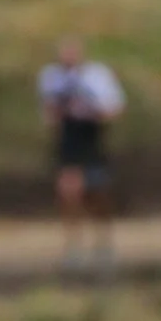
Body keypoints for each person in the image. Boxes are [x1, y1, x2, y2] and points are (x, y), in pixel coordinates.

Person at [37, 38, 126, 277]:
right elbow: (48, 110)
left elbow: (114, 108)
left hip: (92, 137)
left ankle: (103, 242)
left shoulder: (97, 76)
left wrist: (93, 111)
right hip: (69, 138)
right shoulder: (51, 77)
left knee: (96, 193)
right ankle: (73, 247)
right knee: (68, 191)